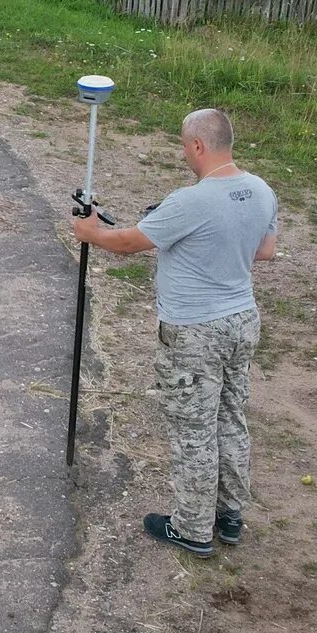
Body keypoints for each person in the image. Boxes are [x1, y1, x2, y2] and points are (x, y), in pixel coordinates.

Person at [70, 107, 278, 558]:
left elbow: (128, 244)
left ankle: (192, 528)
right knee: (230, 417)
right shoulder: (261, 190)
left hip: (193, 331)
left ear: (199, 145)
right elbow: (265, 251)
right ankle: (229, 514)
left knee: (193, 429)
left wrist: (89, 232)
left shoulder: (191, 201)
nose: (184, 153)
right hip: (242, 319)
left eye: (184, 145)